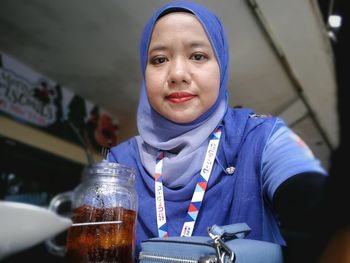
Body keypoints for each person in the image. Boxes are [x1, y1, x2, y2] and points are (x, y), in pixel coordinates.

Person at [108, 1, 328, 261]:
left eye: (198, 56)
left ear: (221, 65)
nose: (177, 74)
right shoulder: (120, 164)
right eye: (159, 59)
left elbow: (320, 208)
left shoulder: (261, 137)